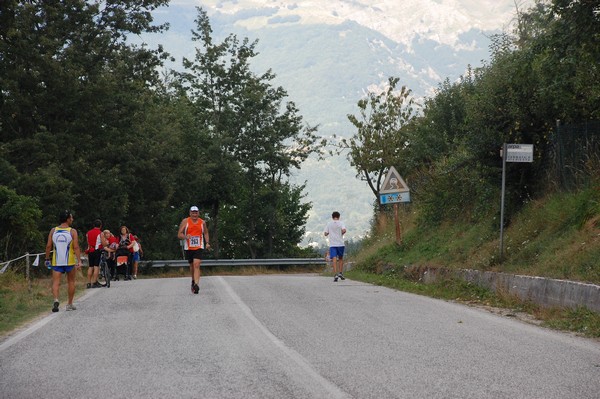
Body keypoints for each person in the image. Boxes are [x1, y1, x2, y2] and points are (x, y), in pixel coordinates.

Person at [45, 210, 82, 312]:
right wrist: (79, 260)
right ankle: (69, 304)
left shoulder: (53, 231)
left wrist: (47, 258)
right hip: (69, 261)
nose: (72, 219)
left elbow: (48, 246)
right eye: (71, 217)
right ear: (68, 219)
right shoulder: (72, 231)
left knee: (56, 282)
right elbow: (76, 247)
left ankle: (56, 299)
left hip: (56, 261)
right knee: (71, 281)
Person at [177, 206, 210, 294]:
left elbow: (206, 233)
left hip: (199, 246)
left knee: (197, 264)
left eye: (196, 213)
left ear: (198, 213)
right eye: (193, 213)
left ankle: (196, 284)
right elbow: (179, 234)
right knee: (192, 266)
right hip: (189, 247)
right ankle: (193, 280)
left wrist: (207, 242)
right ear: (190, 213)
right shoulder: (185, 221)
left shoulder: (202, 222)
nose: (194, 214)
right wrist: (185, 237)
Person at [324, 211, 346, 282]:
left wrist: (330, 232)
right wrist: (340, 234)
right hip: (340, 243)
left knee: (334, 258)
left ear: (332, 217)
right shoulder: (341, 223)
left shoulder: (329, 224)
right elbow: (344, 230)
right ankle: (340, 273)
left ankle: (335, 274)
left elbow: (325, 233)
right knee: (340, 258)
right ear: (339, 217)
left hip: (332, 244)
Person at [85, 219, 103, 288]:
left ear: (93, 225)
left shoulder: (88, 233)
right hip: (97, 250)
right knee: (96, 267)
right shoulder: (100, 233)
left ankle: (88, 282)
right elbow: (103, 243)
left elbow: (88, 242)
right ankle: (94, 282)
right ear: (100, 226)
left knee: (90, 267)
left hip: (90, 251)